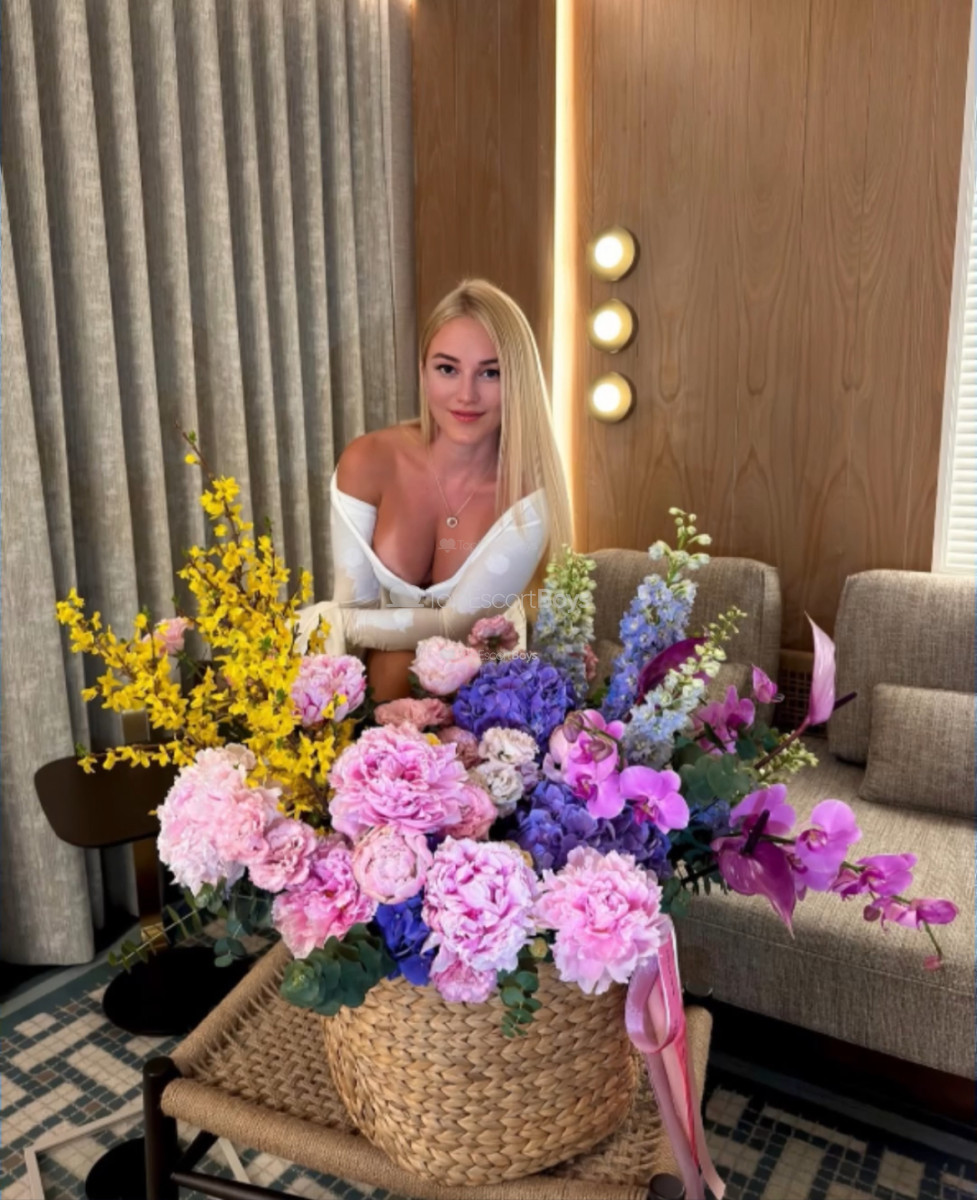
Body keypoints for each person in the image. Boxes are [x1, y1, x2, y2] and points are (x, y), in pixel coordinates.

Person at [298, 278, 572, 701]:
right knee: (386, 668)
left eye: (491, 373)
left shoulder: (527, 501)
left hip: (486, 671)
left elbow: (455, 627)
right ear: (423, 371)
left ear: (517, 380)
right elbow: (356, 605)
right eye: (448, 369)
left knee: (398, 667)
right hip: (378, 662)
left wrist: (330, 622)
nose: (466, 395)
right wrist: (336, 630)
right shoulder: (369, 461)